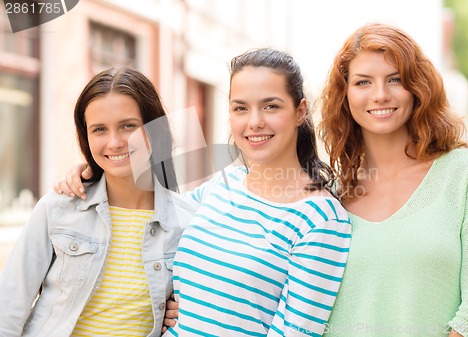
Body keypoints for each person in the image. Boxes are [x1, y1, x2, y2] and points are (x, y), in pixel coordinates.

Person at [53, 48, 352, 336]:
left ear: (300, 111)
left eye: (270, 106)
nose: (254, 122)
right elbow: (147, 217)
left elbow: (295, 332)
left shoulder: (320, 218)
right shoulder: (221, 186)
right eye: (240, 108)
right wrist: (94, 173)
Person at [317, 23, 468, 337]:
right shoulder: (326, 198)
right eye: (363, 82)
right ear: (345, 96)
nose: (380, 95)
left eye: (395, 79)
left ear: (418, 87)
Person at [0, 67, 195, 336]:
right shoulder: (57, 209)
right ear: (86, 136)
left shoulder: (188, 222)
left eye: (128, 126)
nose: (114, 142)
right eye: (99, 129)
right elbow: (9, 306)